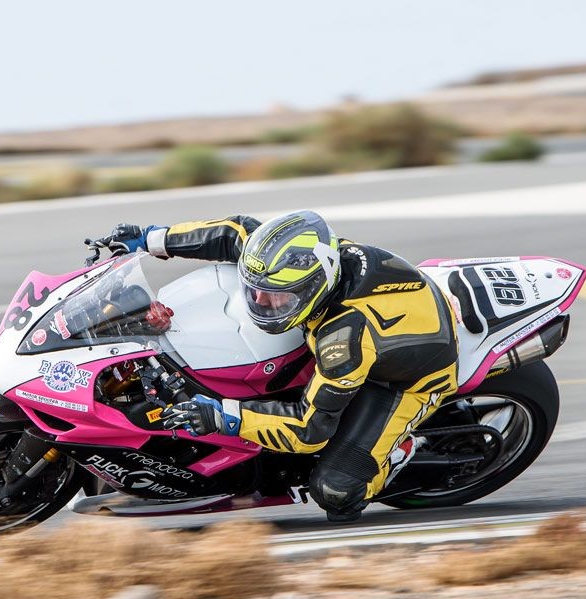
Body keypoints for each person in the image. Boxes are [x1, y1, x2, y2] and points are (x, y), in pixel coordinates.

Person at [94, 210, 458, 522]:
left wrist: (225, 417)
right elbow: (233, 233)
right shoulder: (298, 259)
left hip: (404, 380)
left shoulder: (343, 343)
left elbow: (309, 430)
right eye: (256, 291)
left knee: (336, 491)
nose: (262, 301)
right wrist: (150, 239)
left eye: (277, 297)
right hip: (394, 320)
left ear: (313, 287)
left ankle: (397, 453)